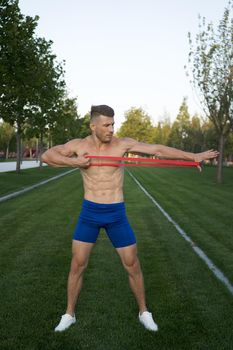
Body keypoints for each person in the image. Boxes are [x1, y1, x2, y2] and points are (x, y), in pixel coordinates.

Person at [41, 104, 218, 332]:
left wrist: (193, 156)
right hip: (90, 213)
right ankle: (69, 314)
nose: (111, 129)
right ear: (93, 126)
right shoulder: (78, 146)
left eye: (113, 124)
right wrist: (74, 162)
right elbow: (48, 155)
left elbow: (157, 150)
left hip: (116, 213)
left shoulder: (122, 144)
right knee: (77, 264)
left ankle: (144, 311)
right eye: (106, 125)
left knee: (132, 264)